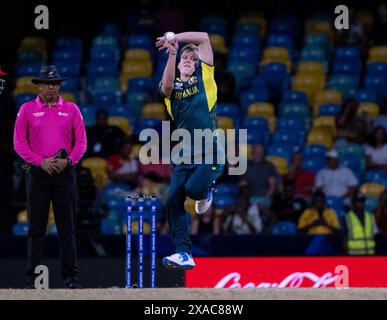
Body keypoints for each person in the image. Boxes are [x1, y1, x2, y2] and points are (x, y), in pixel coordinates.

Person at [13, 65, 87, 289]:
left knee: (67, 228)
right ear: (39, 86)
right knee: (36, 228)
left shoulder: (72, 109)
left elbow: (81, 142)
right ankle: (32, 279)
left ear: (59, 86)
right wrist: (41, 162)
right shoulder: (26, 110)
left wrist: (69, 161)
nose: (52, 88)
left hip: (64, 173)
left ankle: (71, 278)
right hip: (38, 174)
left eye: (55, 84)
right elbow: (19, 143)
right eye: (47, 84)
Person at [156, 31, 224, 269]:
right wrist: (172, 52)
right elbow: (165, 87)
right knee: (173, 198)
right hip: (185, 152)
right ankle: (184, 253)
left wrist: (176, 37)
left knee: (195, 190)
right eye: (185, 57)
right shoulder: (171, 88)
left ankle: (206, 191)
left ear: (198, 66)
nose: (189, 60)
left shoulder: (206, 80)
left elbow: (204, 37)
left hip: (212, 149)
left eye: (193, 59)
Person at [0, 66, 16, 234]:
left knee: (4, 197)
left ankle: (4, 232)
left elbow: (12, 126)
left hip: (4, 157)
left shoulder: (7, 100)